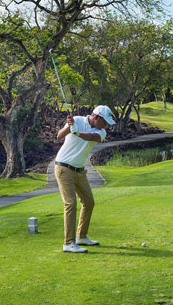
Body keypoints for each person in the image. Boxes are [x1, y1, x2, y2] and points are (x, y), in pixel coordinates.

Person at [55, 105, 115, 253]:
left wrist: (78, 133)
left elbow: (91, 137)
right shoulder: (77, 121)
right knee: (70, 203)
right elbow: (59, 136)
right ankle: (68, 243)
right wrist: (70, 127)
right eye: (104, 121)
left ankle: (81, 236)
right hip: (63, 167)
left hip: (80, 170)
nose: (106, 125)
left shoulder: (101, 132)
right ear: (97, 117)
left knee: (88, 202)